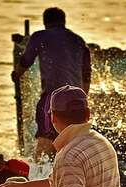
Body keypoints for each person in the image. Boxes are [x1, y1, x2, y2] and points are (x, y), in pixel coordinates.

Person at [12, 7, 92, 161]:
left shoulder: (40, 36)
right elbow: (87, 74)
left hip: (53, 98)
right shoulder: (78, 40)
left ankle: (38, 175)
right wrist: (82, 98)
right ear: (64, 21)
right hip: (77, 101)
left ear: (45, 22)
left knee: (45, 140)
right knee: (71, 141)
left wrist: (16, 74)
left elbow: (26, 60)